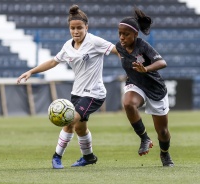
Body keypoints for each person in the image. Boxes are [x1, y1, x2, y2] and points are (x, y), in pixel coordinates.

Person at [17, 4, 119, 169]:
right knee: (80, 128)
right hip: (77, 92)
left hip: (94, 93)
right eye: (73, 28)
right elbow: (52, 62)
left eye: (79, 28)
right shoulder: (67, 46)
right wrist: (31, 71)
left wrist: (129, 64)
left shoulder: (94, 42)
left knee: (69, 121)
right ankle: (89, 157)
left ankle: (56, 157)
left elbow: (117, 50)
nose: (76, 31)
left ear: (86, 27)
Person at [114, 7, 174, 167]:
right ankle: (144, 138)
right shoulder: (119, 47)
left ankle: (165, 154)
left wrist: (146, 69)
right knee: (128, 103)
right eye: (120, 33)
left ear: (135, 34)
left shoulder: (143, 46)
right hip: (135, 84)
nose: (122, 37)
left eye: (126, 34)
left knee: (162, 132)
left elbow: (162, 62)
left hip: (155, 88)